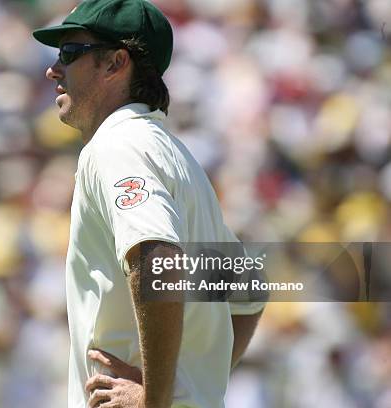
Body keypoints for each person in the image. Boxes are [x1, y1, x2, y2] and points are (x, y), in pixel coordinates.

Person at [32, 1, 265, 407]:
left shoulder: (117, 146)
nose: (54, 69)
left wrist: (155, 400)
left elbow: (158, 256)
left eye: (70, 54)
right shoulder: (177, 156)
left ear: (115, 63)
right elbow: (249, 288)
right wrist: (193, 388)